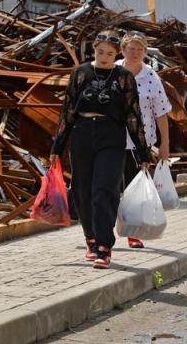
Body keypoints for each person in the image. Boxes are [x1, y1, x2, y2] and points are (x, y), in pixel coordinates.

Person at [50, 30, 151, 269]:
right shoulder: (80, 73)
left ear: (117, 54)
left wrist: (143, 151)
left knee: (105, 190)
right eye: (100, 51)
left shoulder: (124, 76)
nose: (104, 56)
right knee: (82, 190)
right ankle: (91, 238)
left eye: (110, 53)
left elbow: (133, 116)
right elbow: (68, 111)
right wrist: (58, 146)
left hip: (111, 136)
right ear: (93, 49)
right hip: (82, 134)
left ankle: (104, 247)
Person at [117, 31, 172, 249]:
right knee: (110, 186)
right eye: (131, 48)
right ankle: (103, 234)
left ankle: (134, 232)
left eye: (140, 49)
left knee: (135, 188)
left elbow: (161, 112)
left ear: (145, 52)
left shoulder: (151, 77)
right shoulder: (113, 71)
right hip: (112, 139)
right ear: (123, 50)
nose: (135, 53)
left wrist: (165, 143)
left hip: (140, 142)